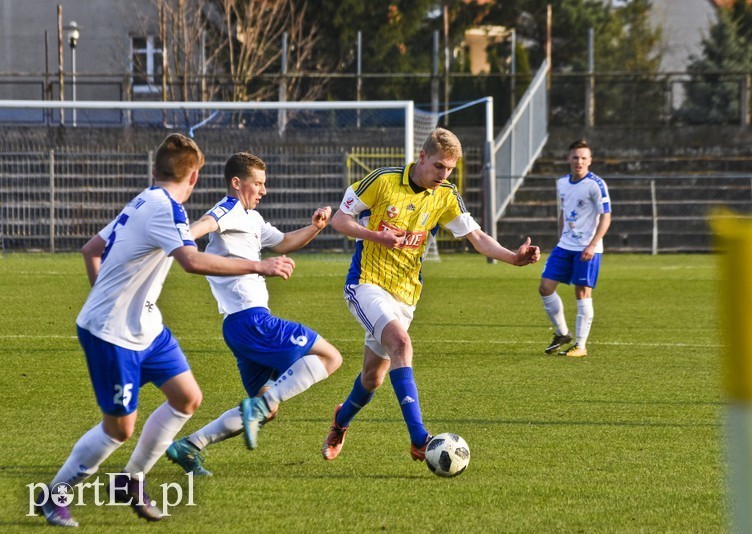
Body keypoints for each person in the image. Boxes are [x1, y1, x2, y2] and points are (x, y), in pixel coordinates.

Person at [36, 134, 296, 528]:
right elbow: (192, 262)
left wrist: (117, 295)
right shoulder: (165, 210)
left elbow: (91, 248)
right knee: (119, 429)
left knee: (187, 397)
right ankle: (54, 497)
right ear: (192, 177)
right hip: (111, 332)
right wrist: (260, 266)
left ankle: (130, 479)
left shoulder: (143, 199)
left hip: (146, 324)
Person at [305, 127, 540, 464]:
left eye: (449, 170)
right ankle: (420, 439)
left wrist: (513, 258)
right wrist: (377, 236)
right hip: (366, 283)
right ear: (422, 157)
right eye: (438, 167)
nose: (443, 176)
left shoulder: (445, 194)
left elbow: (477, 236)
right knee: (401, 344)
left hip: (406, 294)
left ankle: (340, 421)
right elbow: (341, 221)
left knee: (373, 378)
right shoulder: (383, 180)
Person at [165, 152, 342, 474]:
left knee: (267, 406)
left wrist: (315, 227)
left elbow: (285, 242)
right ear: (237, 183)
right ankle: (257, 407)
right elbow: (200, 227)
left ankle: (190, 446)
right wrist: (179, 237)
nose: (263, 190)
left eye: (264, 184)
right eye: (257, 183)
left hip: (240, 326)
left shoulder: (253, 219)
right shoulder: (229, 209)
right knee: (331, 358)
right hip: (251, 321)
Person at [539, 138, 612, 358]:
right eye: (575, 157)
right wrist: (560, 236)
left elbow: (606, 217)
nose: (579, 161)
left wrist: (592, 245)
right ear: (568, 159)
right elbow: (563, 211)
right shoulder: (561, 182)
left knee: (582, 293)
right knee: (545, 287)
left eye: (583, 158)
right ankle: (562, 333)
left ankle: (580, 345)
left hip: (587, 248)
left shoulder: (596, 184)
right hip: (565, 245)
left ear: (589, 161)